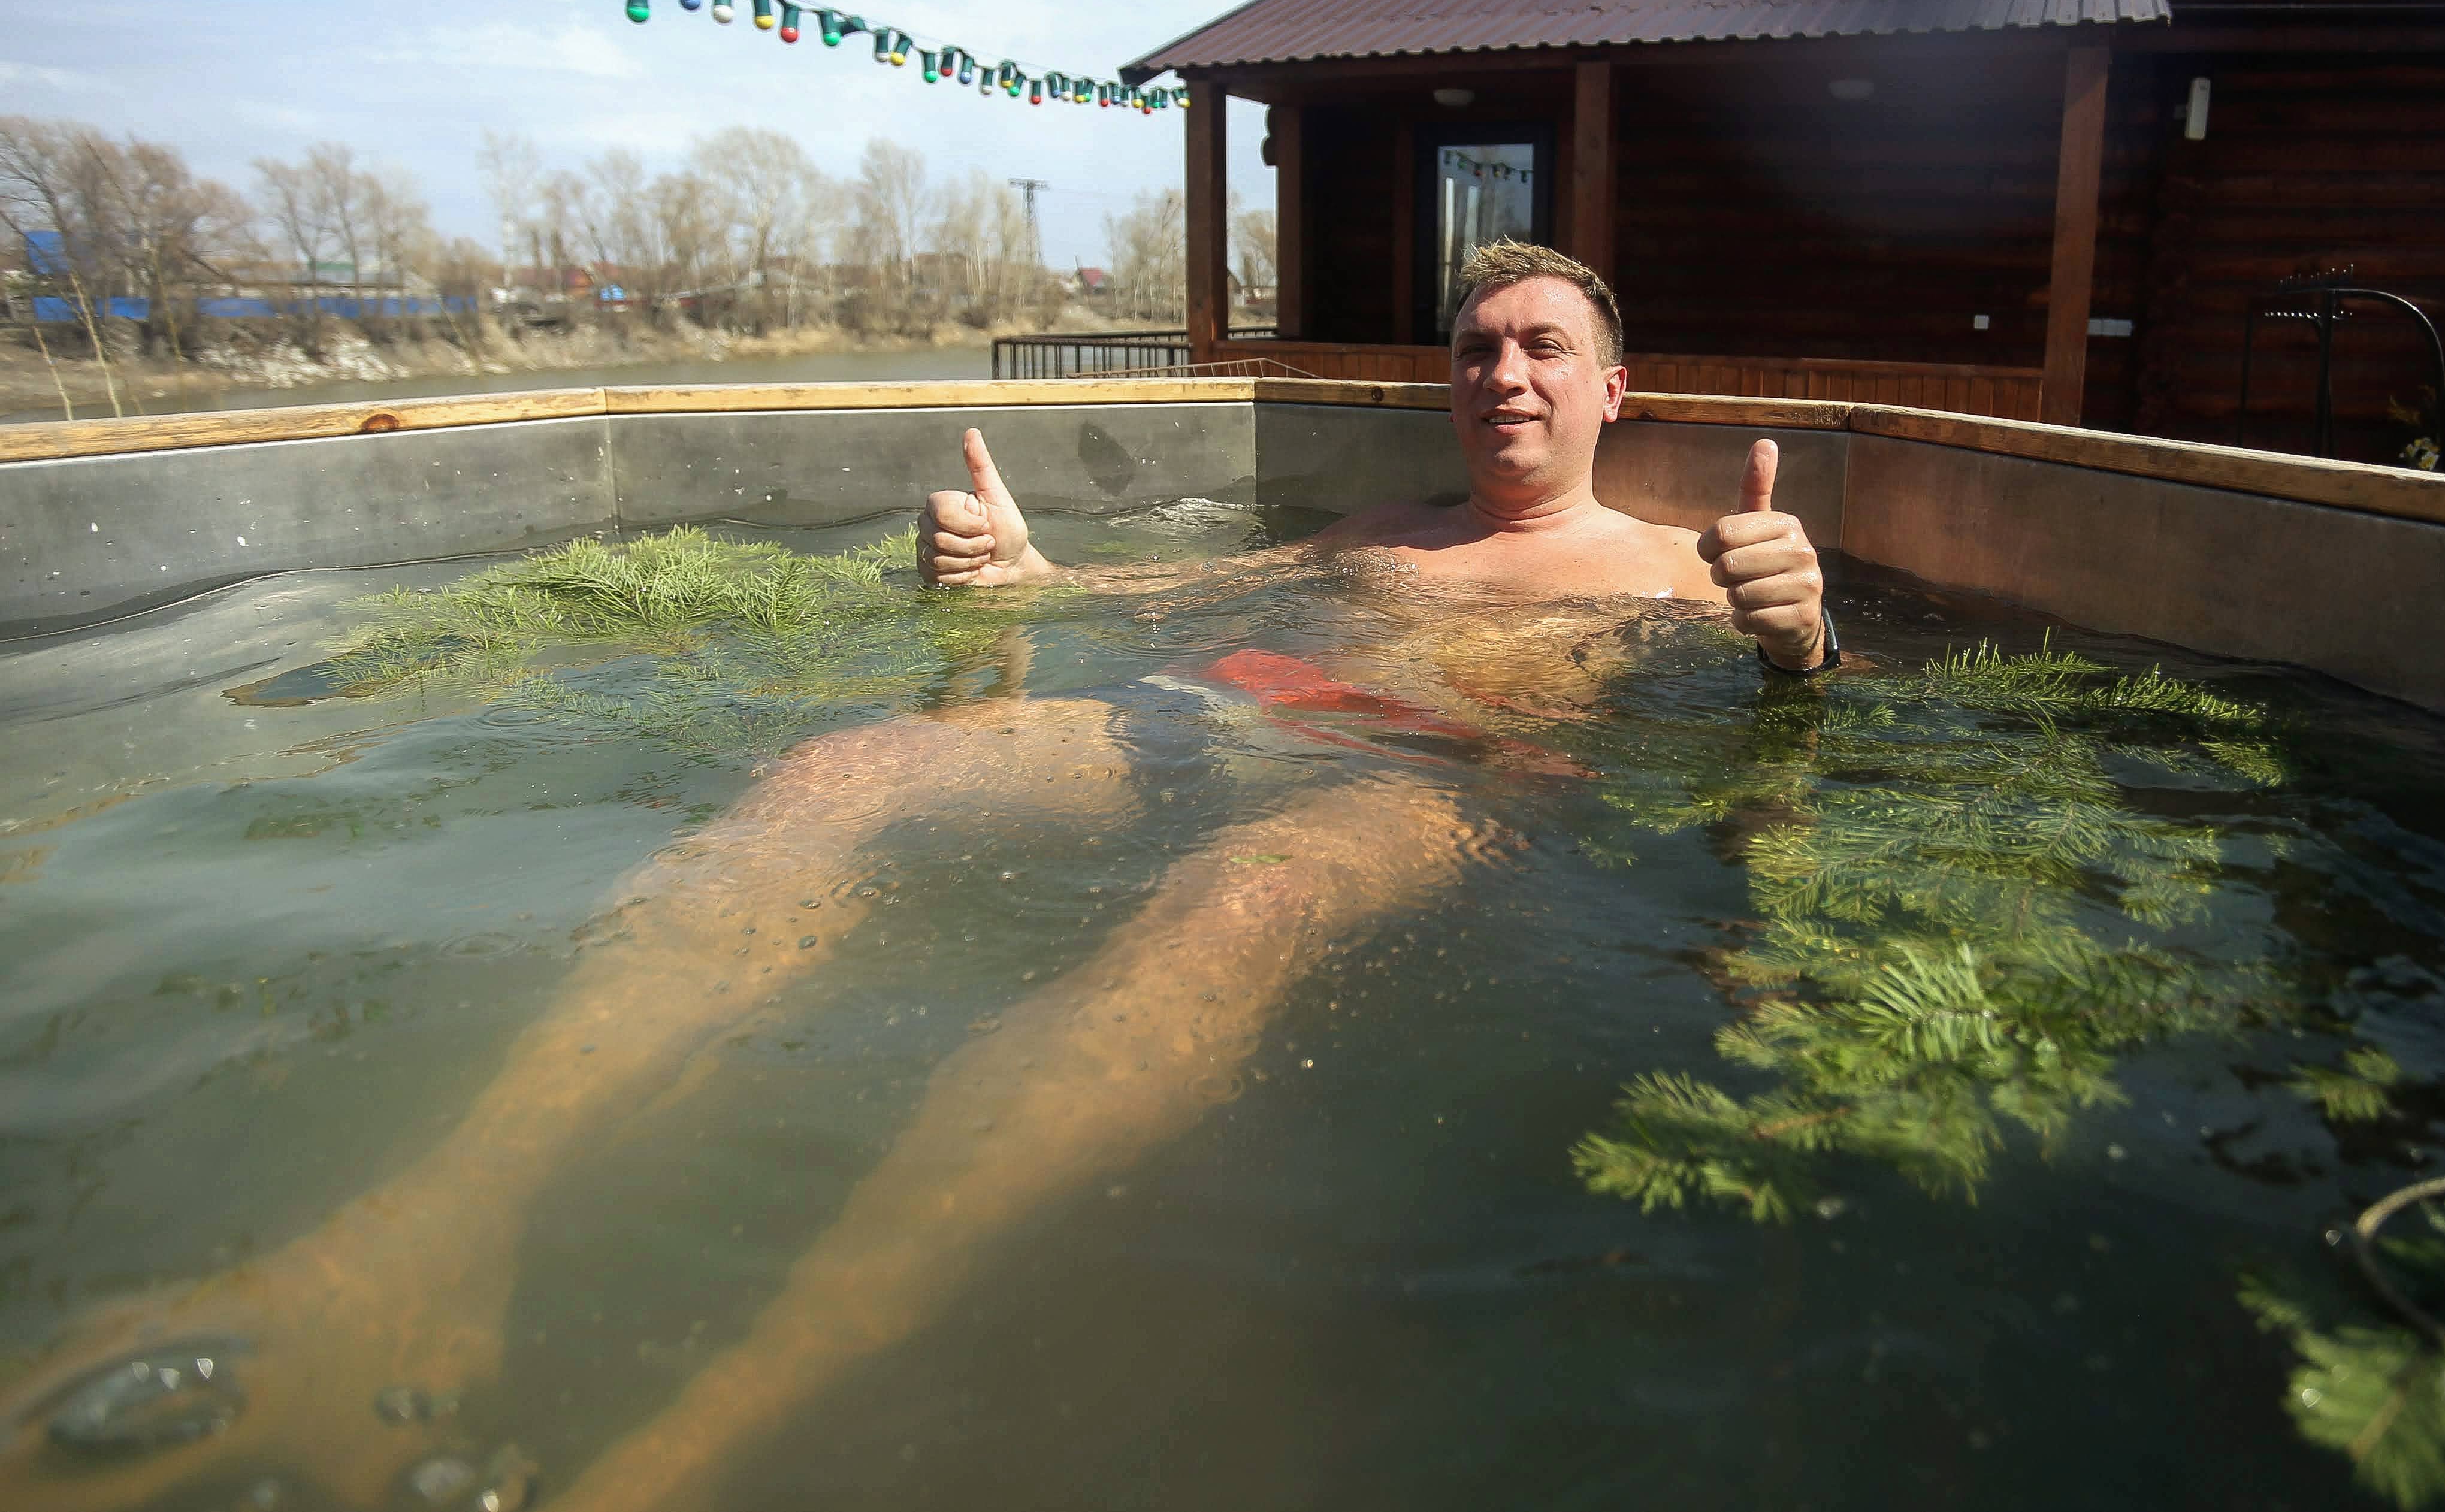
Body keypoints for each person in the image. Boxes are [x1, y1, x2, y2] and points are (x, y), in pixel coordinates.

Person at [0, 243, 1829, 1512]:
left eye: (1540, 346)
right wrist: (1023, 573)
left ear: (1610, 387)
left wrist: (1797, 645)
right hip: (1227, 718)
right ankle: (430, 1224)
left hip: (1419, 784)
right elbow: (1146, 601)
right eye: (1475, 347)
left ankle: (703, 1428)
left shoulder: (1675, 563)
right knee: (846, 763)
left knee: (1239, 896)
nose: (1502, 372)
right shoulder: (1378, 530)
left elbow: (1789, 739)